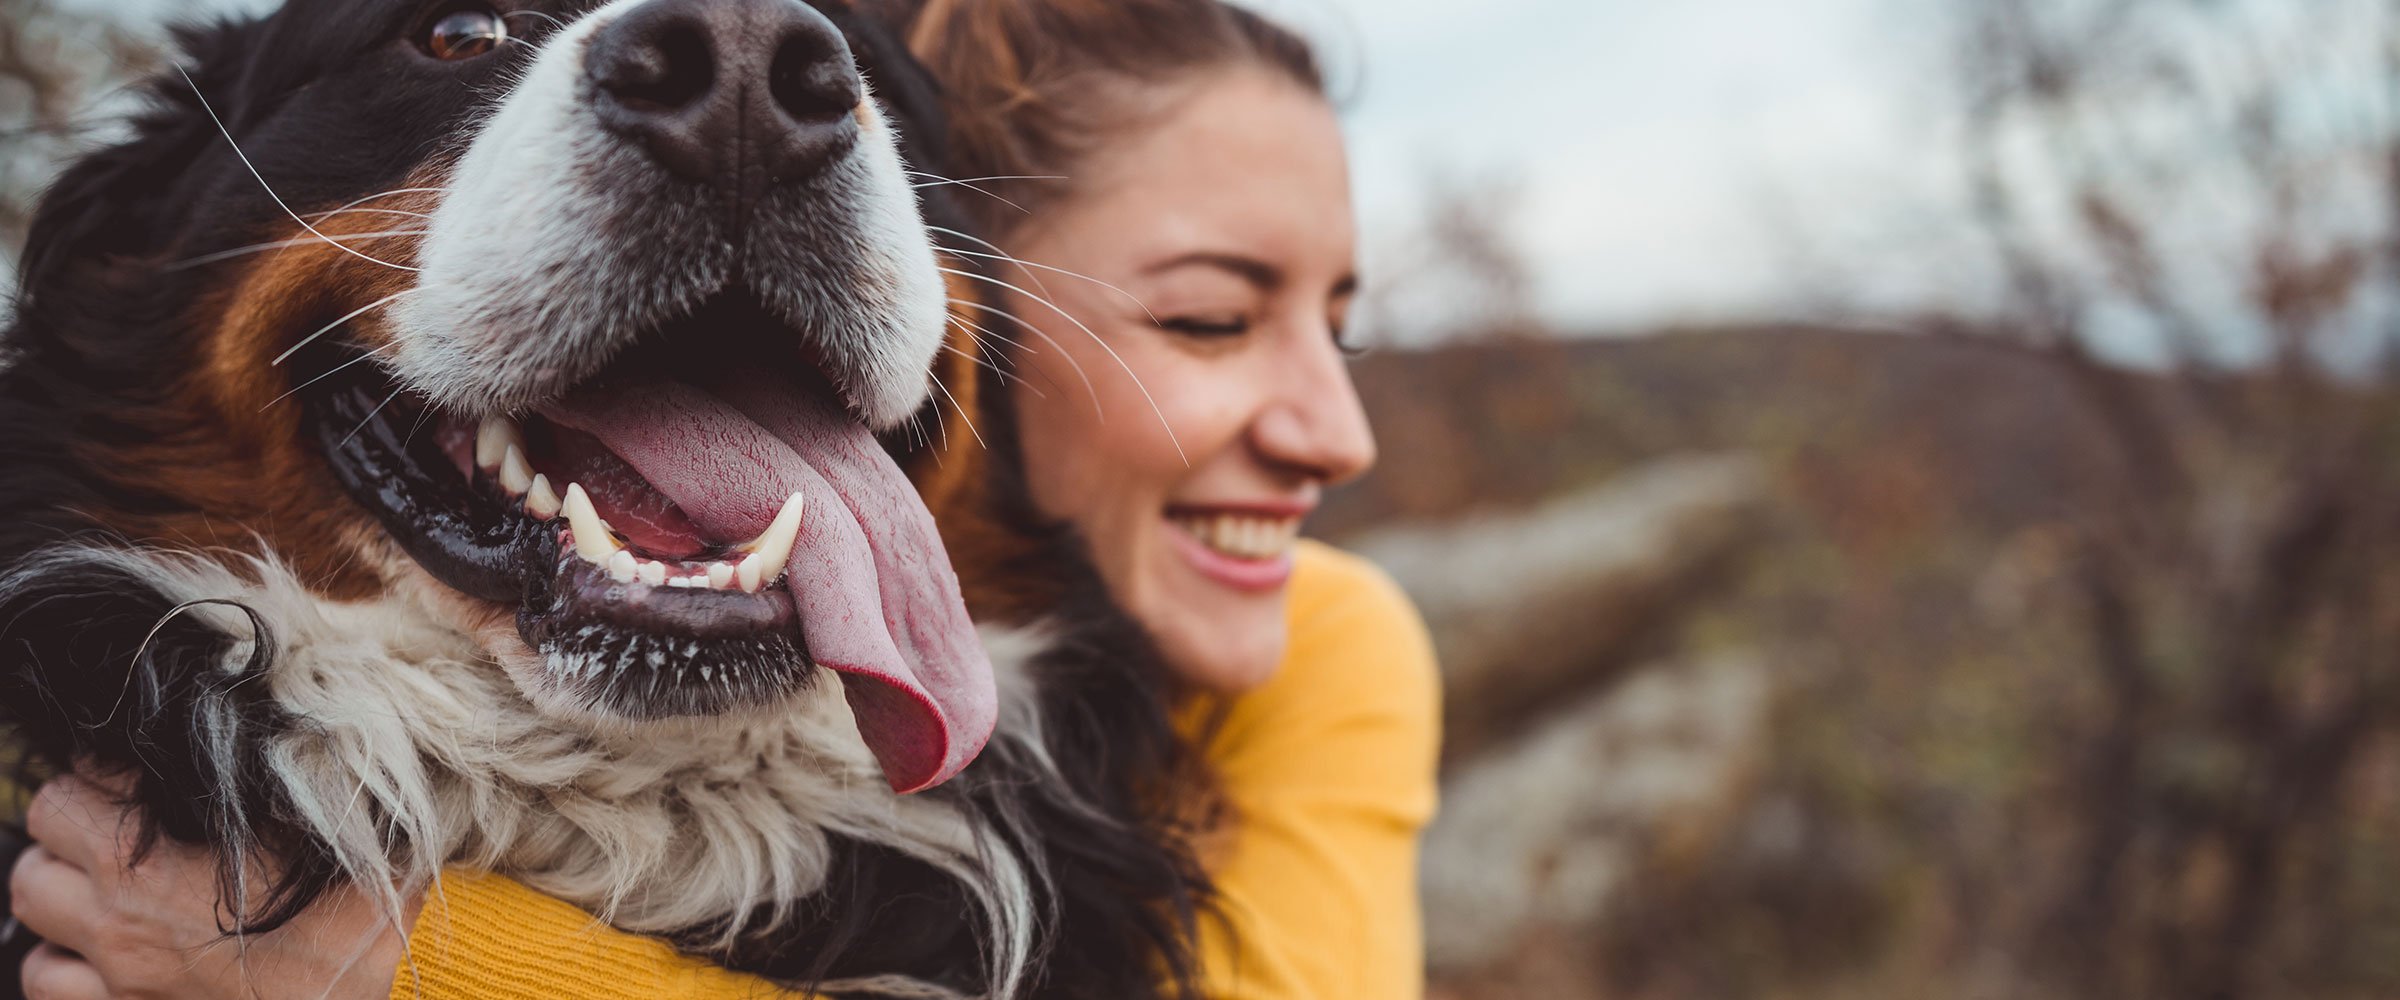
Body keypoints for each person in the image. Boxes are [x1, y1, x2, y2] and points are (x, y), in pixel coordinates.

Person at [6, 1, 1440, 997]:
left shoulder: (1335, 646)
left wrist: (413, 971)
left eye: (836, 73)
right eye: (453, 31)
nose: (1340, 434)